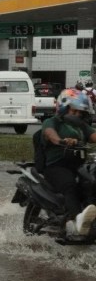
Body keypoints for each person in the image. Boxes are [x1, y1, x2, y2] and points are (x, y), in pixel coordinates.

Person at [42, 89, 96, 238]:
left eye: (80, 112)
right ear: (64, 108)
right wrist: (61, 140)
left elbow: (93, 135)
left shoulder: (82, 126)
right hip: (56, 166)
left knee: (91, 184)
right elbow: (49, 133)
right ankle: (76, 220)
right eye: (74, 111)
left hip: (78, 166)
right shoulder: (52, 122)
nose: (77, 114)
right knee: (70, 185)